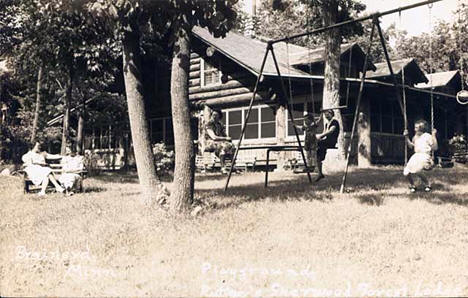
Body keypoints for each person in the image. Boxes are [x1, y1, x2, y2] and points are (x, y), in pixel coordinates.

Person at [403, 119, 438, 193]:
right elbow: (411, 146)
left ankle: (427, 184)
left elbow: (435, 147)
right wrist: (406, 137)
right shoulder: (415, 137)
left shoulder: (428, 136)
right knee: (406, 172)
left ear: (421, 128)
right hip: (416, 155)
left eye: (416, 127)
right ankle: (413, 186)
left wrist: (434, 135)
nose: (414, 129)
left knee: (418, 171)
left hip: (425, 155)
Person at [315, 109, 340, 182]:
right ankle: (320, 172)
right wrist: (318, 137)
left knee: (320, 144)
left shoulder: (334, 122)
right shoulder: (327, 123)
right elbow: (324, 132)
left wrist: (320, 136)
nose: (326, 115)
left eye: (327, 114)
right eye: (325, 114)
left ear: (331, 114)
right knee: (317, 146)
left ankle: (320, 157)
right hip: (326, 141)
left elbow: (331, 131)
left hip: (332, 141)